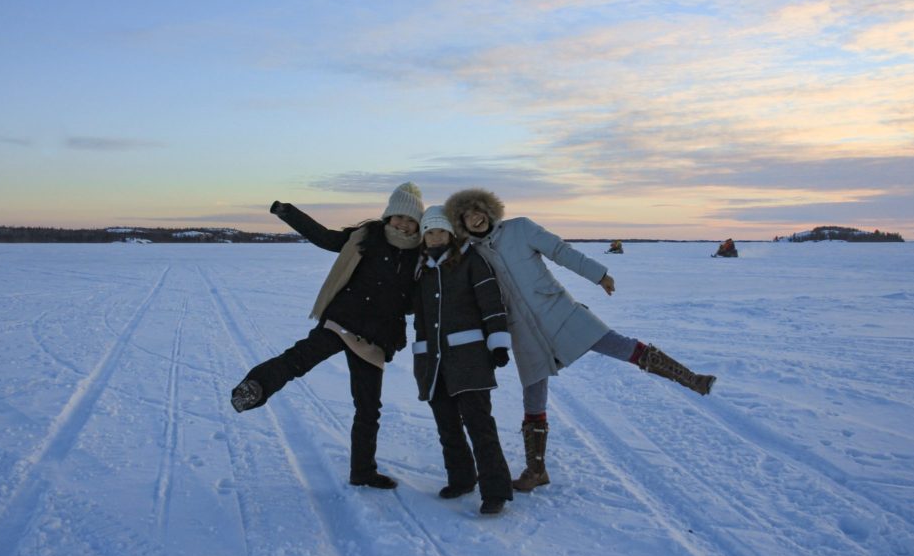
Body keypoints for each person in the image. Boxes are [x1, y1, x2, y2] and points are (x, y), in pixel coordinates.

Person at [444, 188, 716, 492]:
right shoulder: (473, 252)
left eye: (477, 210)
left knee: (619, 345)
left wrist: (599, 275)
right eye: (466, 215)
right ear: (461, 222)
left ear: (489, 210)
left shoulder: (520, 228)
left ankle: (692, 379)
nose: (475, 218)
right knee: (533, 396)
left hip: (558, 310)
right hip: (522, 331)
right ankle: (536, 472)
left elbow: (560, 251)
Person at [231, 182, 424, 489]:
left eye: (410, 219)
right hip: (344, 320)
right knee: (298, 360)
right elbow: (324, 237)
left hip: (377, 336)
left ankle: (362, 471)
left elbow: (416, 297)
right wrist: (287, 212)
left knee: (368, 408)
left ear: (418, 223)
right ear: (388, 216)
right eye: (398, 216)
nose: (403, 223)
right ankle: (255, 386)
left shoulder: (420, 254)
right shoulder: (364, 237)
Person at [411, 206, 514, 515]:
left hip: (469, 359)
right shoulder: (421, 270)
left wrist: (498, 343)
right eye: (429, 232)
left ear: (451, 234)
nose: (435, 237)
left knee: (480, 425)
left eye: (440, 231)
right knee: (447, 425)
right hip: (433, 361)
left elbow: (491, 302)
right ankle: (461, 478)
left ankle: (495, 490)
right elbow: (417, 317)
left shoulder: (471, 262)